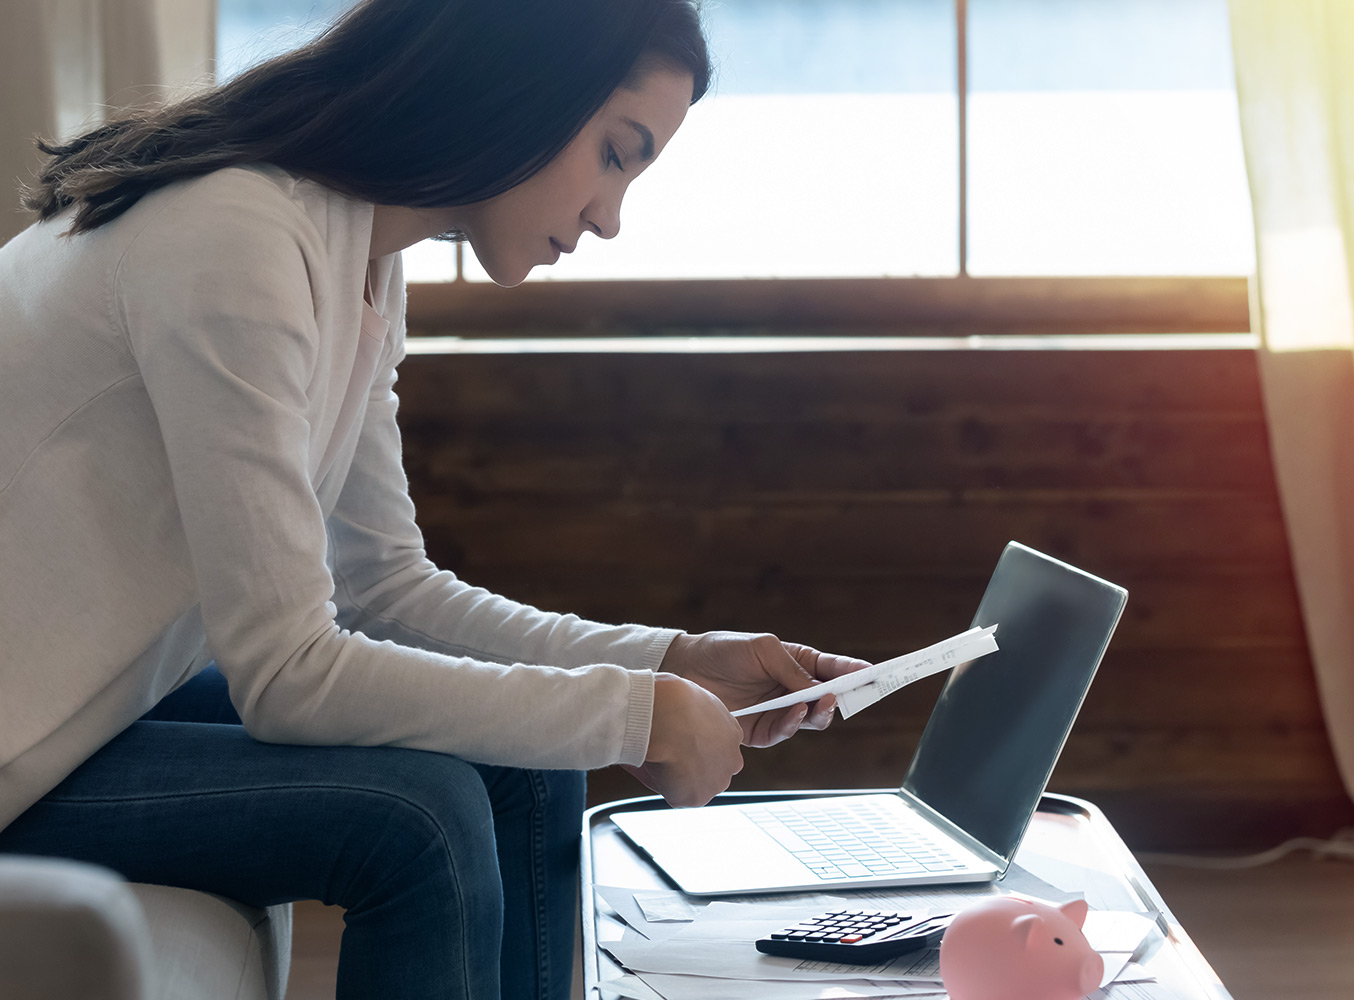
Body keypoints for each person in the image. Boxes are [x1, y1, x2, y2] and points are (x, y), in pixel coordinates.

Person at [0, 2, 870, 997]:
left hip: (78, 715)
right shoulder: (233, 237)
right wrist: (635, 718)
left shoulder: (360, 254)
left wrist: (670, 662)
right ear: (523, 86)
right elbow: (289, 674)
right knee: (419, 819)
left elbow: (387, 585)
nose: (609, 215)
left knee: (525, 762)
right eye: (616, 153)